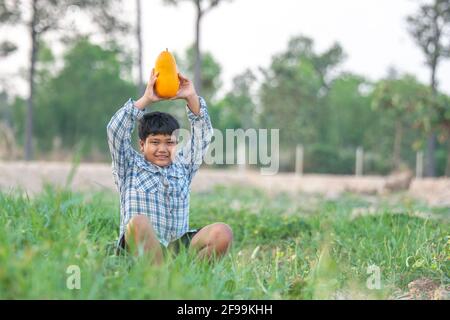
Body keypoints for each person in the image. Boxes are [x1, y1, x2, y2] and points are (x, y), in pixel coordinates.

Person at [107, 69, 233, 265]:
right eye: (155, 142)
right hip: (138, 252)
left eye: (169, 142)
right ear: (142, 145)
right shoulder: (129, 165)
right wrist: (146, 99)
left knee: (222, 232)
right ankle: (159, 286)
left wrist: (190, 96)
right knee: (138, 222)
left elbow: (203, 135)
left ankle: (187, 282)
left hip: (176, 250)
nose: (162, 149)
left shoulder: (182, 166)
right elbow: (115, 130)